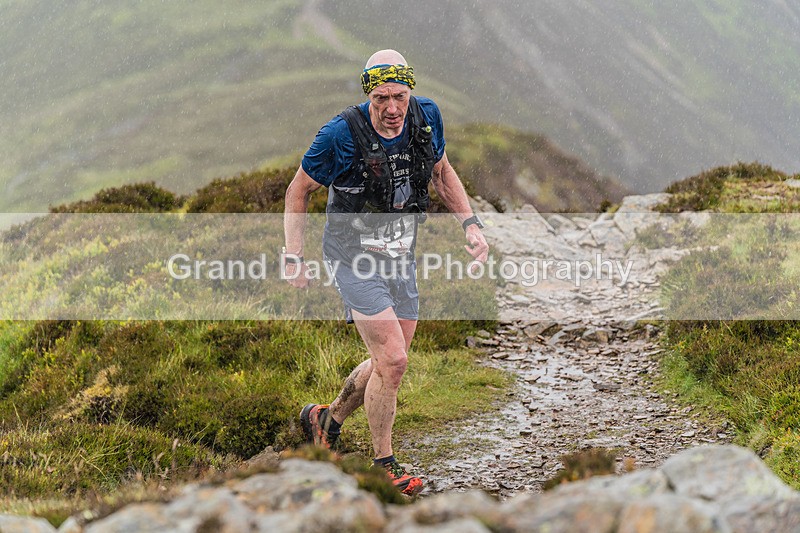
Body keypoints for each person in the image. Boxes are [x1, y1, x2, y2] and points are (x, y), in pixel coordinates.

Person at [283, 49, 488, 495]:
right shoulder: (339, 134)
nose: (392, 109)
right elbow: (297, 190)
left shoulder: (426, 118)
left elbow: (442, 172)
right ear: (368, 96)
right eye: (381, 99)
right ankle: (384, 465)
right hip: (352, 257)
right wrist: (293, 255)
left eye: (399, 96)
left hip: (401, 256)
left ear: (410, 90)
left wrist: (470, 223)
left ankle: (326, 419)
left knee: (387, 363)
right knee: (393, 359)